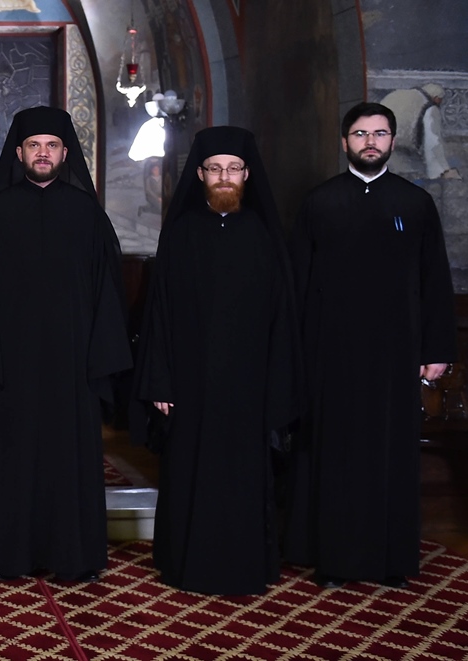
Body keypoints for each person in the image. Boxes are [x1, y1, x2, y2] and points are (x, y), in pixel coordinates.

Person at [285, 102, 456, 589]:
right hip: (329, 353)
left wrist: (437, 350)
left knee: (390, 454)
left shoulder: (414, 203)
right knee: (333, 454)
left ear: (393, 141)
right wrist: (295, 352)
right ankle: (333, 560)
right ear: (345, 142)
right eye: (361, 134)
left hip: (395, 355)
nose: (370, 142)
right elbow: (297, 284)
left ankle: (390, 560)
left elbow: (434, 280)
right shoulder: (319, 203)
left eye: (380, 134)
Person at [0, 106, 131, 583]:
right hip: (11, 364)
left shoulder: (86, 214)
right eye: (34, 145)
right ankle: (10, 556)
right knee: (14, 458)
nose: (42, 153)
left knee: (71, 459)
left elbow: (107, 293)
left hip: (74, 363)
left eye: (51, 145)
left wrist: (100, 357)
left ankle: (74, 556)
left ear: (65, 153)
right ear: (18, 153)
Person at [133, 126, 302, 595]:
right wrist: (160, 380)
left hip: (250, 385)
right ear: (200, 174)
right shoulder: (181, 234)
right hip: (190, 384)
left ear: (246, 174)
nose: (224, 177)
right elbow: (158, 314)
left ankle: (247, 566)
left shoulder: (265, 237)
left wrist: (278, 383)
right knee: (190, 473)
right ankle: (185, 565)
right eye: (215, 169)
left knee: (246, 477)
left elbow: (283, 320)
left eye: (232, 168)